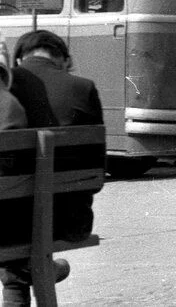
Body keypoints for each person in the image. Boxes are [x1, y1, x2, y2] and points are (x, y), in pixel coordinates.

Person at [2, 30, 103, 305]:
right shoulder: (84, 88)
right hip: (68, 222)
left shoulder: (6, 87)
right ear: (63, 59)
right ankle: (41, 271)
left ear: (20, 57)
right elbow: (96, 176)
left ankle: (30, 274)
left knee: (14, 254)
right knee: (21, 258)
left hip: (10, 226)